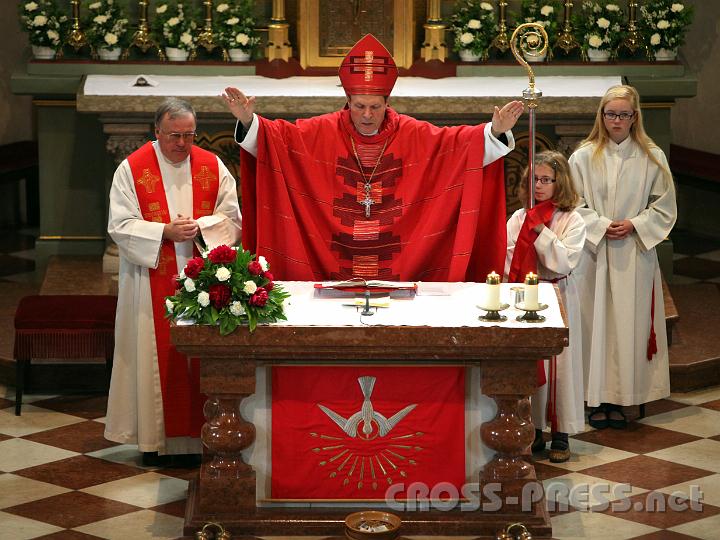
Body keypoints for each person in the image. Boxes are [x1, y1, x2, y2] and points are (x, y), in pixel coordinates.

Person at [222, 34, 524, 282]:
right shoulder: (321, 131)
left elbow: (458, 145)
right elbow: (277, 141)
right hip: (332, 257)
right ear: (347, 101)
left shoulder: (413, 133)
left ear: (387, 102)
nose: (367, 115)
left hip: (400, 262)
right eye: (359, 106)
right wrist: (250, 122)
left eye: (375, 107)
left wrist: (494, 131)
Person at [105, 98, 242, 460]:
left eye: (189, 135)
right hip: (150, 277)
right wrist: (163, 231)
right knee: (154, 352)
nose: (182, 144)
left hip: (205, 281)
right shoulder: (132, 169)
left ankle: (206, 438)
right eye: (174, 136)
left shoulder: (212, 165)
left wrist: (202, 227)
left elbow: (232, 217)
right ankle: (156, 442)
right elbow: (119, 225)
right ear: (157, 132)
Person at [569, 85, 677, 430]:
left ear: (635, 117)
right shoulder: (583, 156)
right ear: (601, 116)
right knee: (594, 323)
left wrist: (634, 223)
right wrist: (599, 225)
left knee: (627, 327)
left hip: (633, 252)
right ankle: (593, 396)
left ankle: (621, 398)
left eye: (623, 114)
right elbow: (572, 203)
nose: (616, 121)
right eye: (610, 113)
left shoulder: (652, 156)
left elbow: (664, 206)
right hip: (593, 253)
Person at [505, 151, 586, 462]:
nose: (538, 186)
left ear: (559, 182)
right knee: (531, 363)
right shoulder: (517, 218)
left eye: (546, 180)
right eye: (534, 180)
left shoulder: (572, 219)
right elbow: (510, 256)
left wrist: (540, 230)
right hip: (527, 293)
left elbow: (563, 260)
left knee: (560, 367)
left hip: (558, 293)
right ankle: (535, 430)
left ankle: (561, 434)